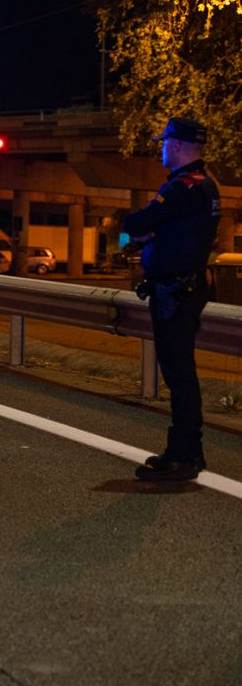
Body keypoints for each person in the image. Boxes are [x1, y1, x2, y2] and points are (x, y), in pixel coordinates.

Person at [123, 117, 221, 482]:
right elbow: (180, 231)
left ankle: (183, 456)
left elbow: (135, 222)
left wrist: (147, 231)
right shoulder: (206, 186)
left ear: (177, 146)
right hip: (187, 288)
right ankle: (186, 452)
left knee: (179, 376)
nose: (162, 148)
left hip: (175, 293)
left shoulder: (181, 188)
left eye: (165, 143)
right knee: (182, 375)